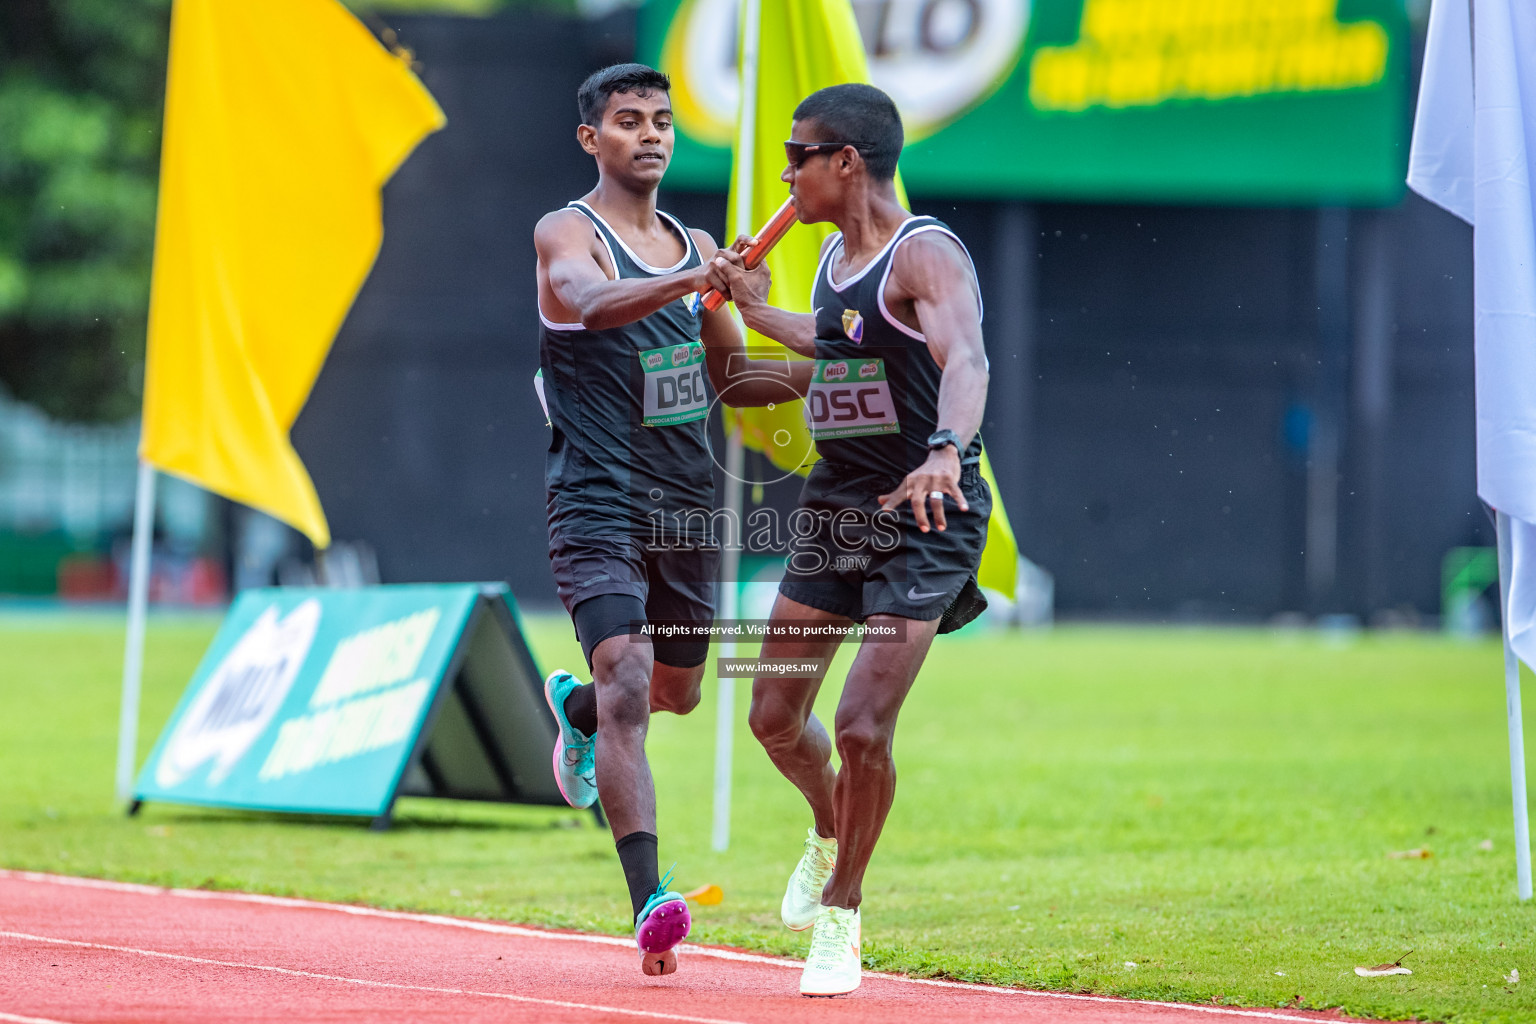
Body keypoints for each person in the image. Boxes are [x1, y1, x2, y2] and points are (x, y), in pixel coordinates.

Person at [708, 82, 991, 997]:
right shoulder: (833, 258)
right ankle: (828, 826)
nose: (785, 174)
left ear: (845, 163)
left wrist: (948, 449)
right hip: (838, 507)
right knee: (772, 718)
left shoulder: (926, 252)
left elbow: (968, 358)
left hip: (926, 513)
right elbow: (834, 344)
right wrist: (749, 308)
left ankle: (843, 909)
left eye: (797, 157)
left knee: (865, 725)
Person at [532, 63, 805, 977]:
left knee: (674, 694)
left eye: (661, 121)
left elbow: (736, 379)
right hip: (596, 497)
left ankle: (570, 711)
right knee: (629, 674)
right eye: (627, 121)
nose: (649, 134)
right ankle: (650, 900)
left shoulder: (695, 249)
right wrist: (697, 277)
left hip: (685, 511)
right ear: (592, 139)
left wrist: (867, 368)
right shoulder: (571, 233)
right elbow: (589, 303)